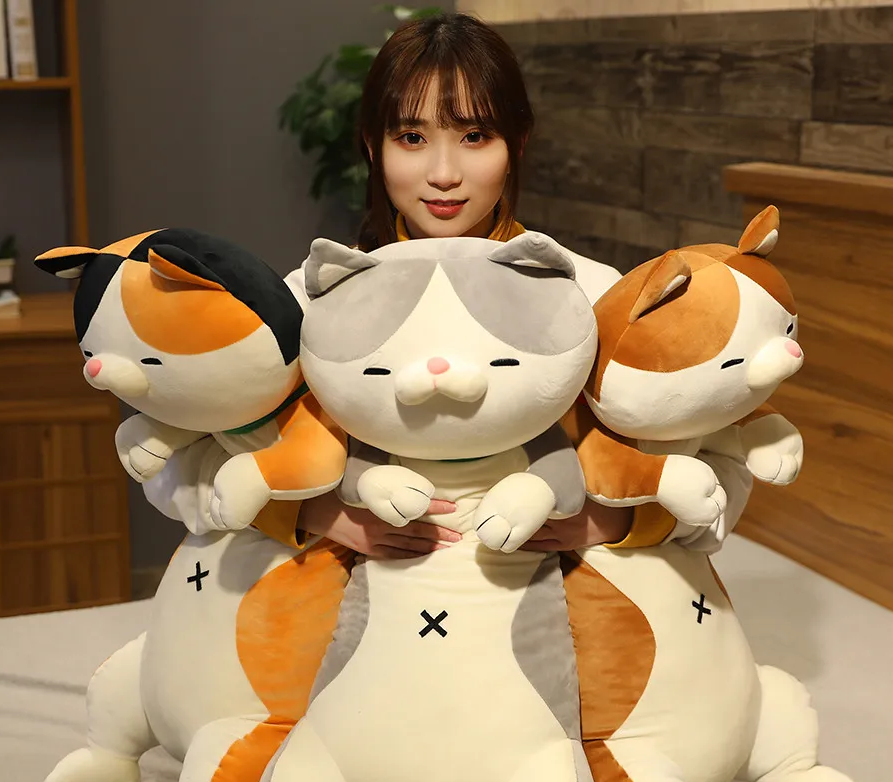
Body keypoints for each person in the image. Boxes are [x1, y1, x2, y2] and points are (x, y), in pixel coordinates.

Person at [259, 11, 681, 559]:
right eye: (412, 137)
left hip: (546, 590)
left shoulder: (592, 295)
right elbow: (189, 450)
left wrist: (618, 517)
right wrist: (316, 512)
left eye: (474, 136)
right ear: (373, 147)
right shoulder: (314, 300)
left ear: (517, 144)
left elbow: (712, 463)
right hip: (364, 592)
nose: (444, 173)